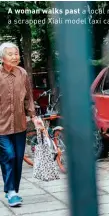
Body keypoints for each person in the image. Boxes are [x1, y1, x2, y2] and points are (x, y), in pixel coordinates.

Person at [0, 42, 42, 207]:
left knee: (17, 158)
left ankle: (13, 191)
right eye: (10, 54)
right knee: (8, 155)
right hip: (1, 127)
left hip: (19, 124)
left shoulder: (22, 73)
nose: (15, 57)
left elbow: (28, 98)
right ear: (2, 57)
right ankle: (10, 191)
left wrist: (33, 116)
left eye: (16, 53)